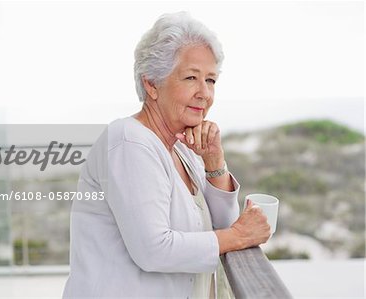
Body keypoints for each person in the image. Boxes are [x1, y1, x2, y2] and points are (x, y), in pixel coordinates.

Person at [62, 11, 270, 298]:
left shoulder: (183, 148)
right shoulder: (129, 142)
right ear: (151, 84)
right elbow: (153, 250)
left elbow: (223, 226)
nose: (204, 93)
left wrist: (214, 163)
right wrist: (240, 235)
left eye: (210, 80)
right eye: (190, 78)